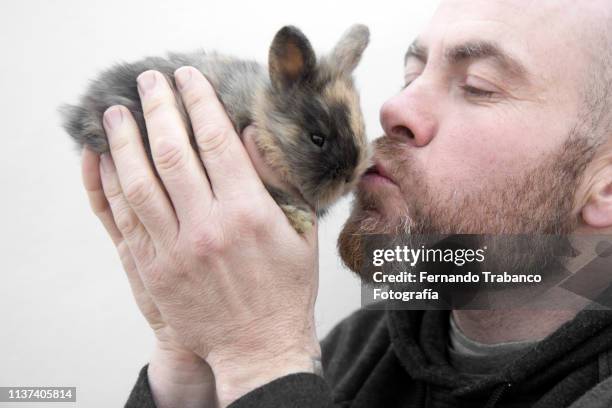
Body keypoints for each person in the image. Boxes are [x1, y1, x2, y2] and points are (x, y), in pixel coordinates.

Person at [79, 0, 612, 407]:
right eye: (411, 75)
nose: (390, 107)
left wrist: (262, 361)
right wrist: (190, 360)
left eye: (477, 86)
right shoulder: (359, 347)